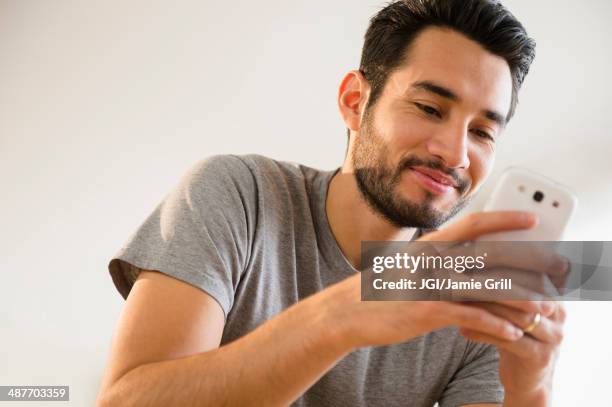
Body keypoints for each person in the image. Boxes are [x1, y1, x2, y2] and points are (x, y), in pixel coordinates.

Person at [97, 1, 566, 406]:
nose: (456, 153)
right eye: (428, 108)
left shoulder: (476, 291)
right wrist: (342, 314)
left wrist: (531, 392)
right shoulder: (239, 195)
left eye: (482, 132)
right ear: (354, 101)